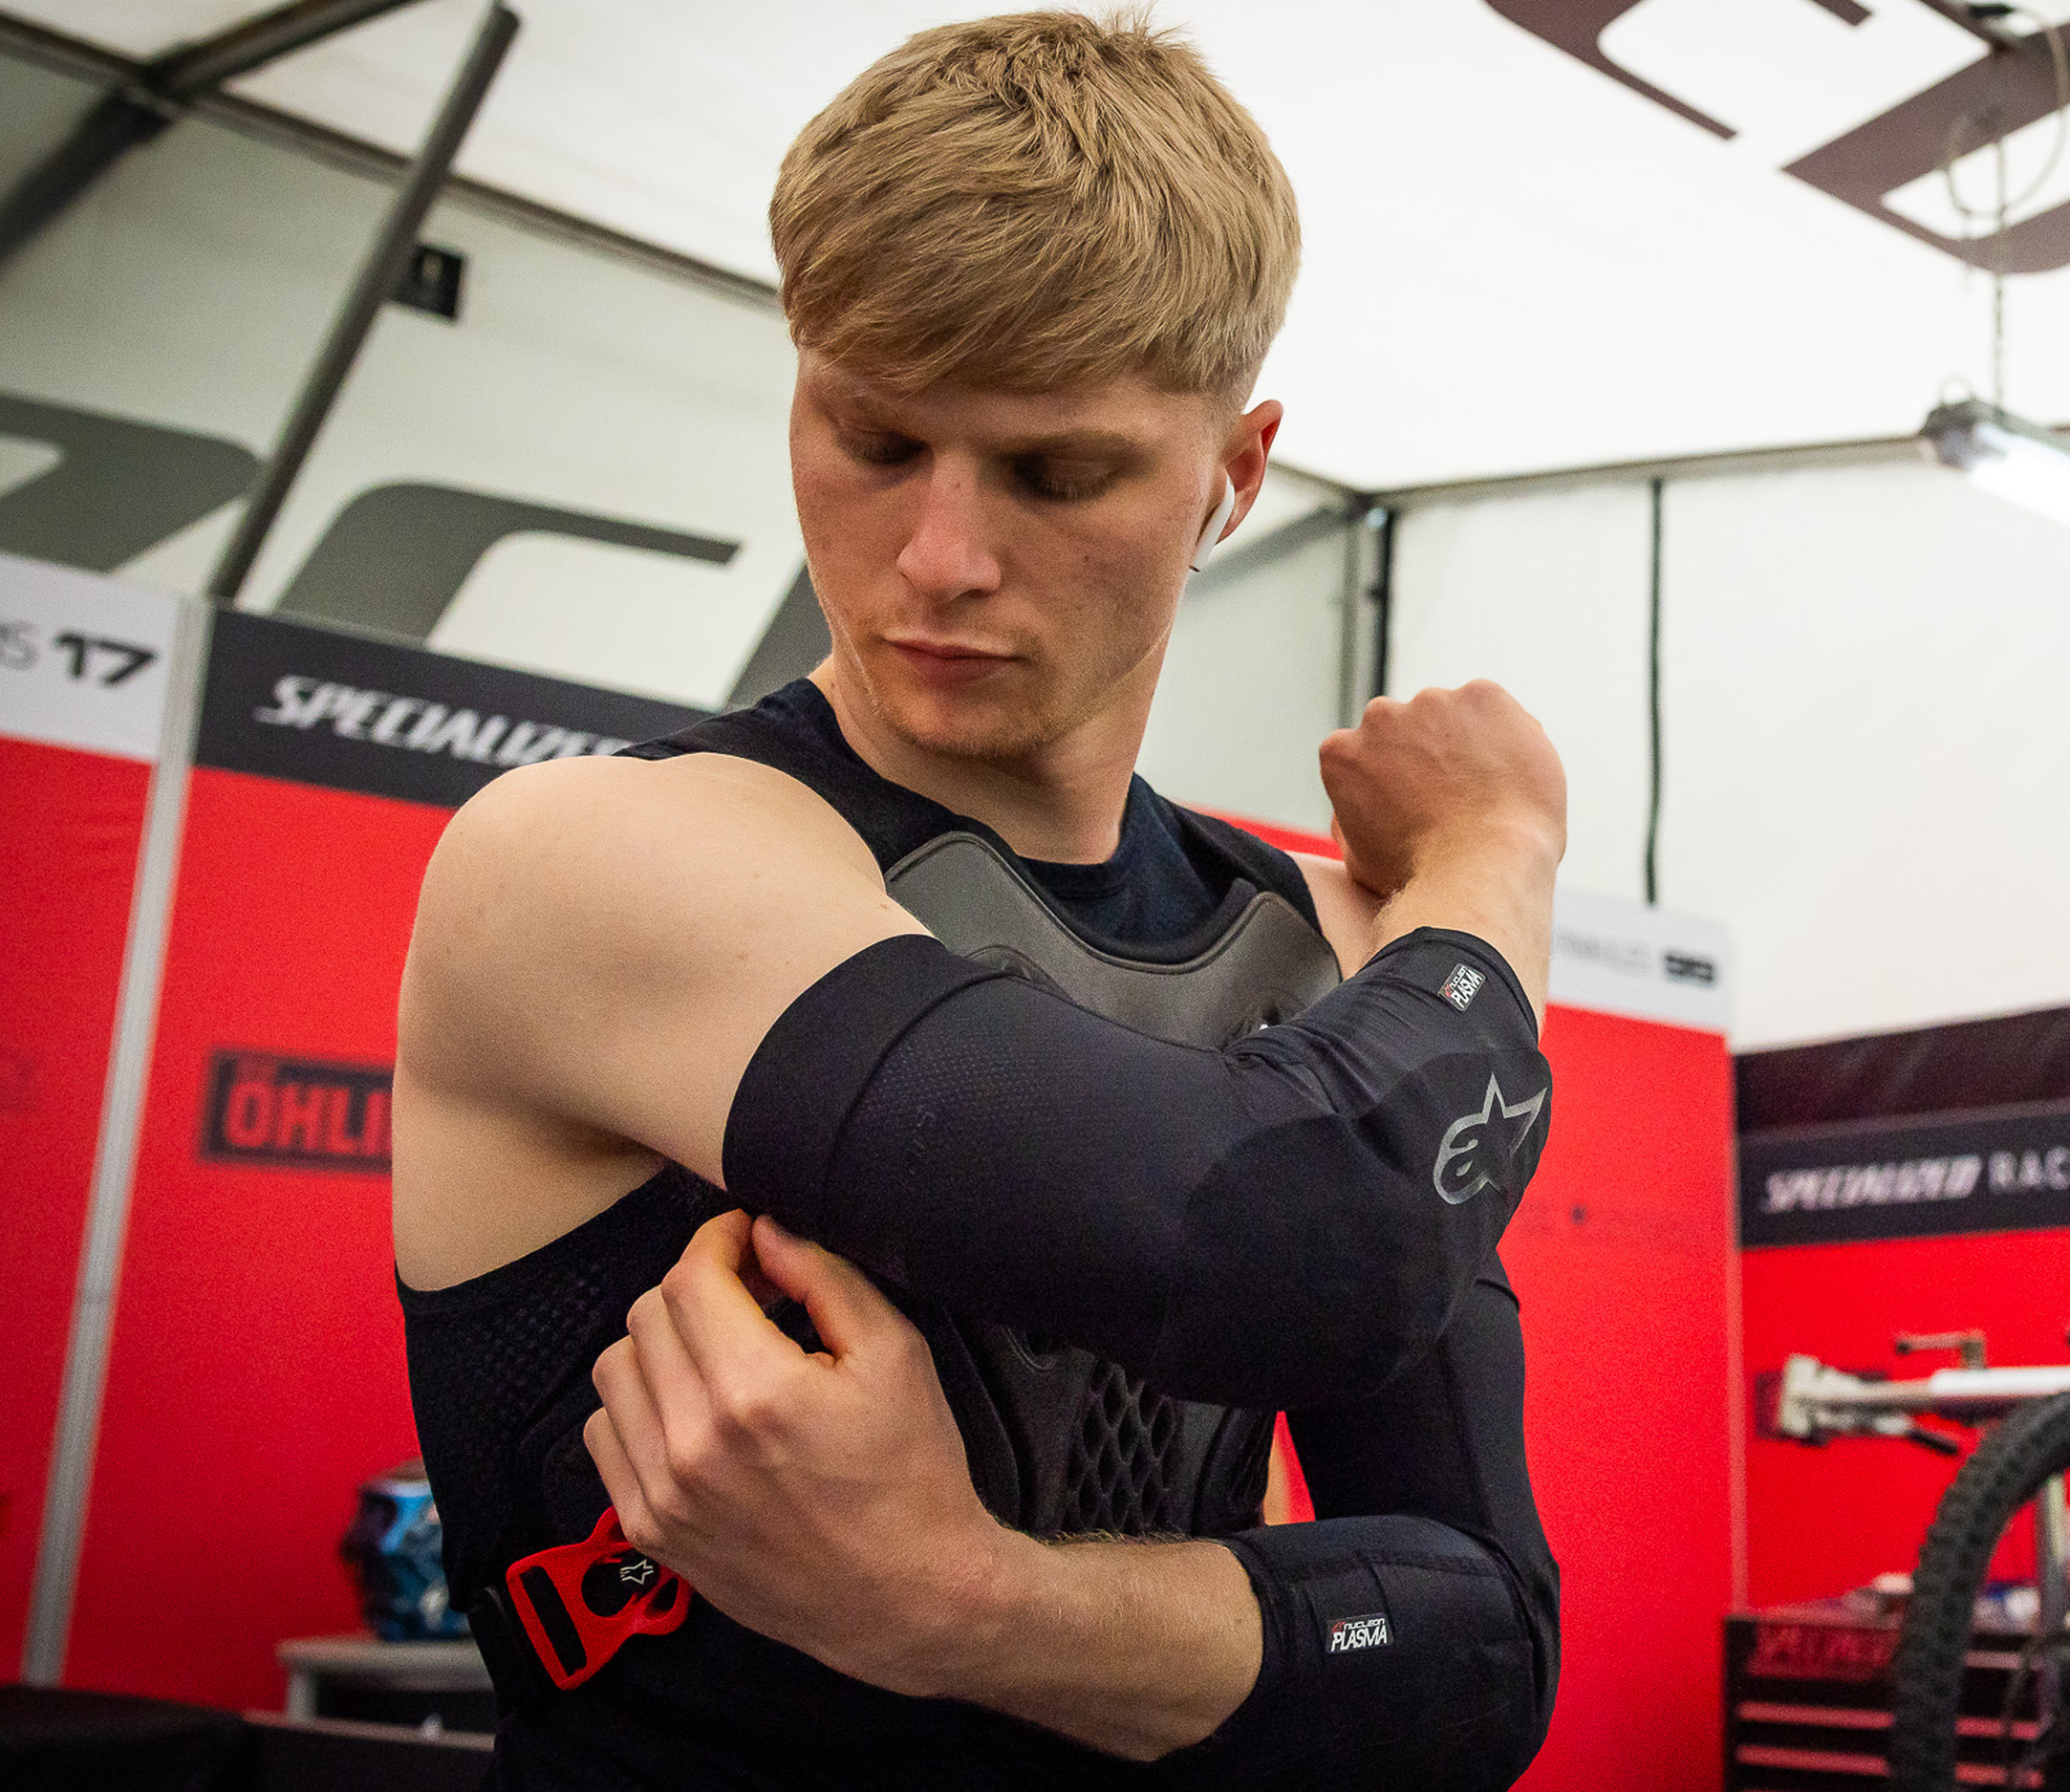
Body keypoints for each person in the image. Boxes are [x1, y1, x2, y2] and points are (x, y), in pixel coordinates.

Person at [391, 13, 1564, 1789]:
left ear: (1231, 479)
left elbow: (1483, 1648)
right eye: (873, 438)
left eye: (1055, 471)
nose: (938, 556)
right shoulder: (592, 858)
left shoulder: (1304, 953)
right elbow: (1278, 1240)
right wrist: (1495, 855)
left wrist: (972, 1603)